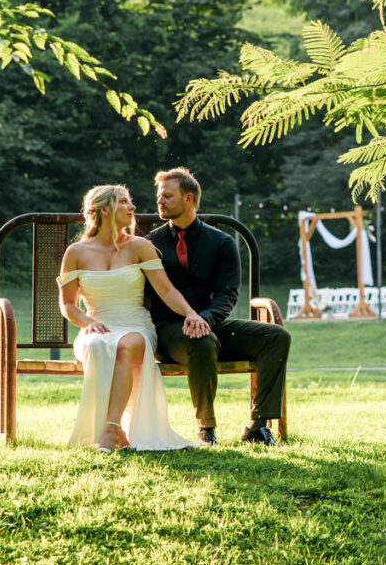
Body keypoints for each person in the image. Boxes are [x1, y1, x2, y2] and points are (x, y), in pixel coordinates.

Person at [145, 168, 291, 446]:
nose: (159, 201)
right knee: (202, 340)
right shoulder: (151, 243)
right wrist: (192, 321)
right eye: (159, 195)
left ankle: (257, 426)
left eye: (167, 195)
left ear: (188, 198)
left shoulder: (221, 242)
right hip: (168, 332)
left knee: (276, 336)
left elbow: (227, 294)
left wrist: (205, 318)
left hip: (213, 325)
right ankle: (207, 429)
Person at [58, 184, 202, 452]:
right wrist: (88, 323)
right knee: (100, 344)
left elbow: (167, 290)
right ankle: (115, 431)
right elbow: (67, 305)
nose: (132, 207)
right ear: (104, 209)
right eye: (124, 202)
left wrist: (191, 313)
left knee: (125, 345)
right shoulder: (76, 252)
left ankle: (111, 430)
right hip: (97, 325)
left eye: (130, 201)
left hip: (135, 326)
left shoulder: (140, 247)